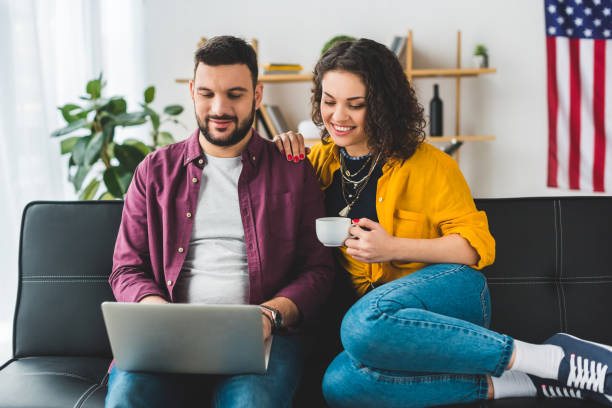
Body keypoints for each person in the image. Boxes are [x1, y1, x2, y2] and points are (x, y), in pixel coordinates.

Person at [275, 38, 612, 407]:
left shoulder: (431, 164)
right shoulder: (319, 163)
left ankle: (550, 358)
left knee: (360, 323)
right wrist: (277, 151)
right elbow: (268, 193)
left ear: (383, 105)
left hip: (450, 296)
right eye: (329, 101)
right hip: (385, 332)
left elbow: (475, 248)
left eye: (356, 105)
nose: (338, 116)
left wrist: (392, 248)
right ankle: (522, 382)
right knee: (339, 384)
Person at [106, 35, 335, 408]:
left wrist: (269, 314)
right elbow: (126, 268)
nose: (220, 107)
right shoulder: (154, 171)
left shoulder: (293, 171)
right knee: (127, 401)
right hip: (167, 341)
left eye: (235, 94)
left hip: (264, 342)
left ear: (257, 96)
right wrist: (158, 316)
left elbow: (318, 269)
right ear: (193, 92)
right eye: (208, 93)